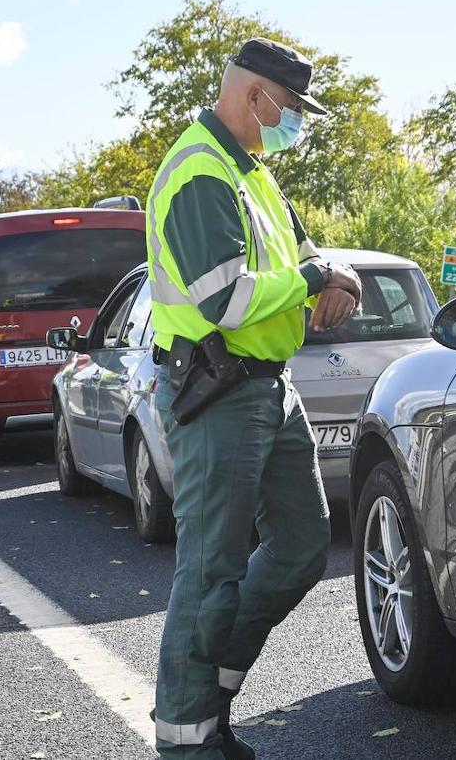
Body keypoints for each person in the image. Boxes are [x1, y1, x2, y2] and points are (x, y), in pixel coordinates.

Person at [144, 38, 361, 760]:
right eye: (291, 109)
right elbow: (224, 298)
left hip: (270, 385)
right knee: (209, 568)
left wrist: (338, 277)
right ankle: (185, 739)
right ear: (253, 96)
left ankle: (213, 697)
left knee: (301, 548)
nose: (293, 123)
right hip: (218, 390)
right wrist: (310, 281)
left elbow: (304, 256)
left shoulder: (253, 172)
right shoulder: (201, 171)